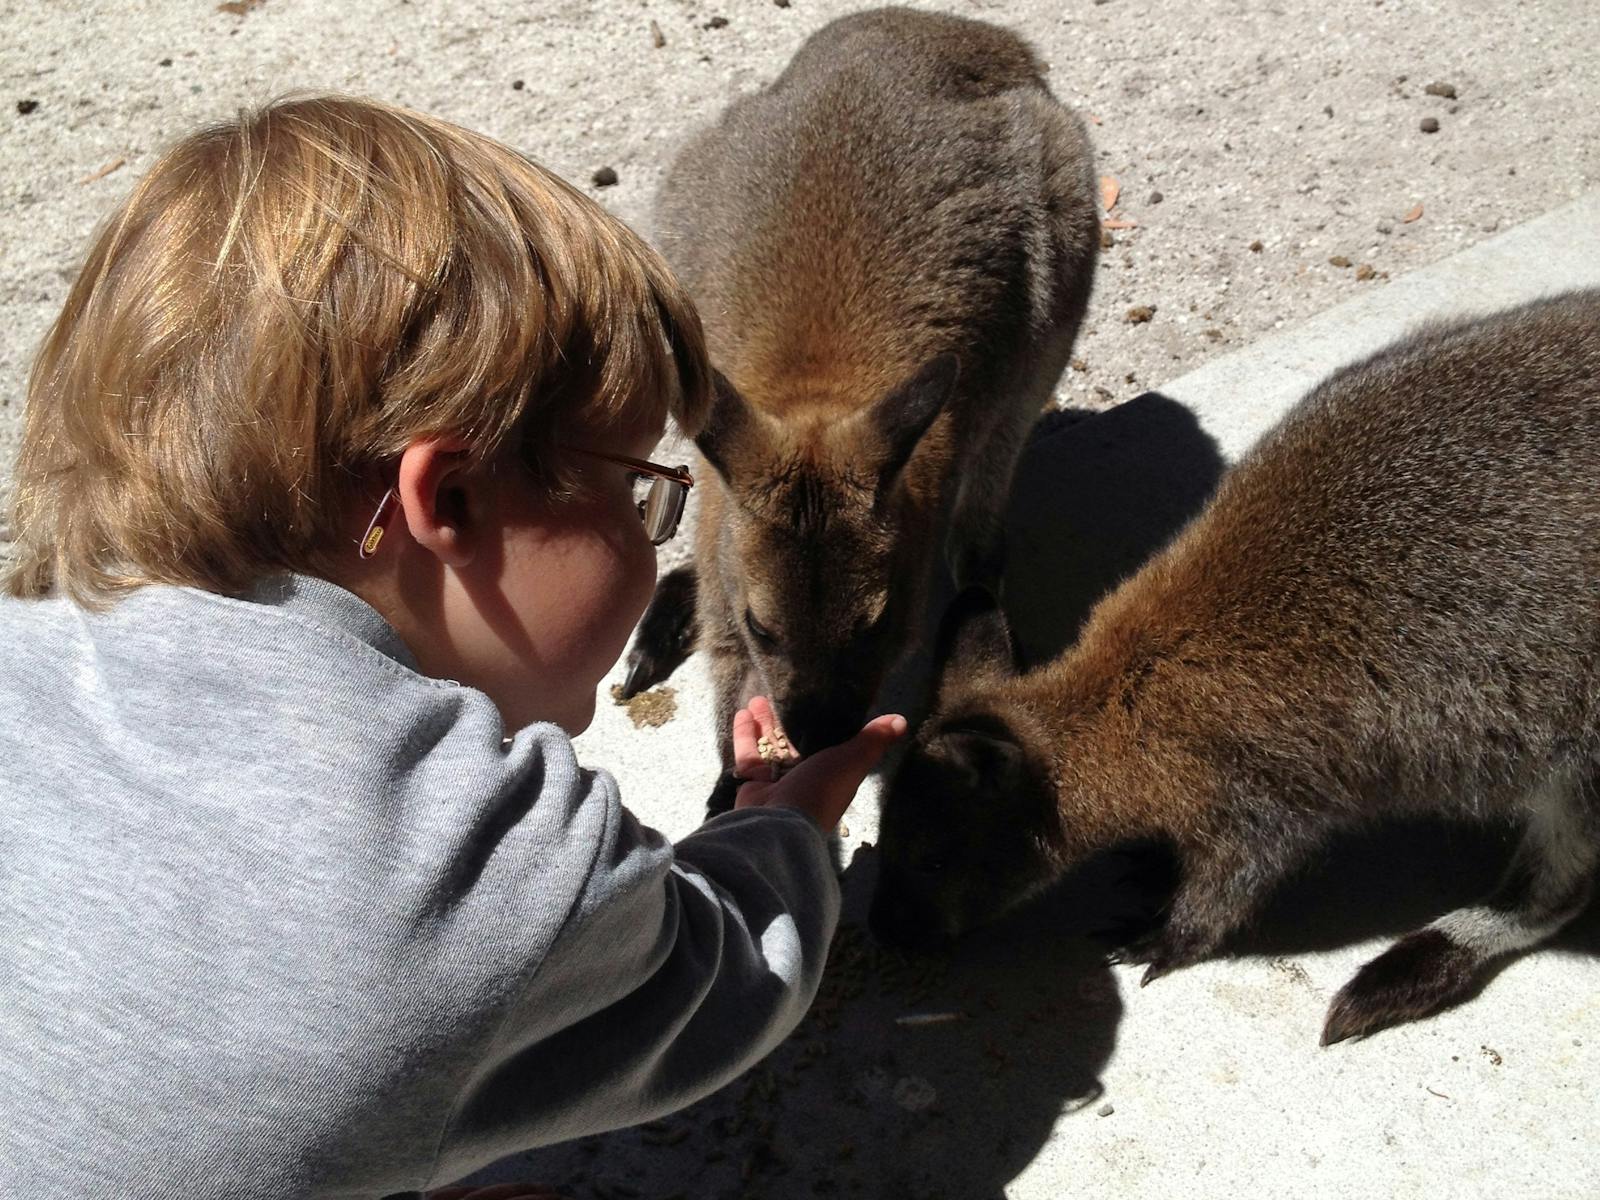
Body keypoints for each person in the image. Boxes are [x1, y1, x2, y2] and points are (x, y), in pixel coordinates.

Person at [0, 94, 904, 1198]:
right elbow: (720, 976)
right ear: (455, 501)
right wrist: (781, 836)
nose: (648, 530)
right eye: (636, 488)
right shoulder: (488, 869)